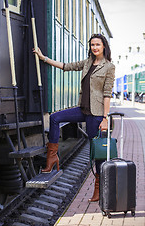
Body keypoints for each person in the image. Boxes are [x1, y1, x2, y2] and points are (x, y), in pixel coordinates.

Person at [33, 34, 115, 202]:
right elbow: (65, 66)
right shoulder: (86, 63)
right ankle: (52, 157)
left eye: (97, 45)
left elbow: (107, 94)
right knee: (55, 118)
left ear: (104, 47)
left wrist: (105, 118)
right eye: (92, 45)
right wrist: (44, 58)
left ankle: (99, 188)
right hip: (83, 109)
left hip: (96, 114)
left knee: (97, 152)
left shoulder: (109, 67)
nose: (94, 47)